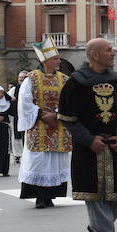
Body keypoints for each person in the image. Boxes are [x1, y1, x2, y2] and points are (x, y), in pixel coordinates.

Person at [59, 38, 117, 232]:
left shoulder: (116, 81)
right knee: (94, 195)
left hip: (113, 148)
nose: (113, 53)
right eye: (109, 50)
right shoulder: (75, 82)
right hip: (88, 149)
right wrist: (88, 139)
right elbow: (67, 117)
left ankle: (98, 224)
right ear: (94, 54)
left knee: (115, 198)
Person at [17, 40, 73, 209]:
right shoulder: (31, 78)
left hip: (58, 126)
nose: (59, 62)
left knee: (55, 162)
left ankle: (50, 196)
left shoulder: (64, 79)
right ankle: (39, 196)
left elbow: (71, 101)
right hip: (39, 125)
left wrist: (57, 115)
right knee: (39, 161)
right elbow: (24, 102)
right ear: (46, 61)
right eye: (56, 59)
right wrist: (42, 115)